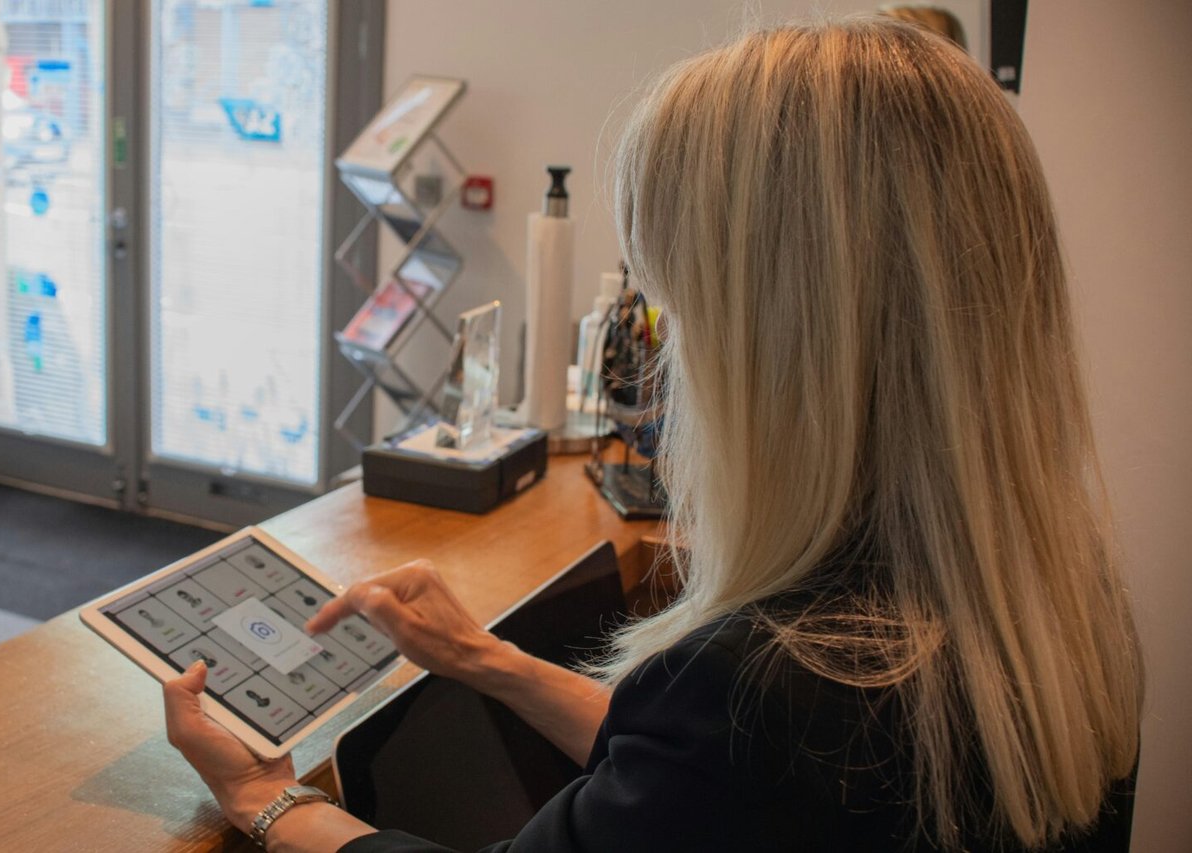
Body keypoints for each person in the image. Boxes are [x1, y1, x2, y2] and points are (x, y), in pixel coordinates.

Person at [163, 17, 1143, 852]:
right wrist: (488, 660)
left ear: (778, 348)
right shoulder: (1054, 611)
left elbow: (721, 768)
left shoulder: (764, 695)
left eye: (676, 310)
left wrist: (266, 801)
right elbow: (697, 798)